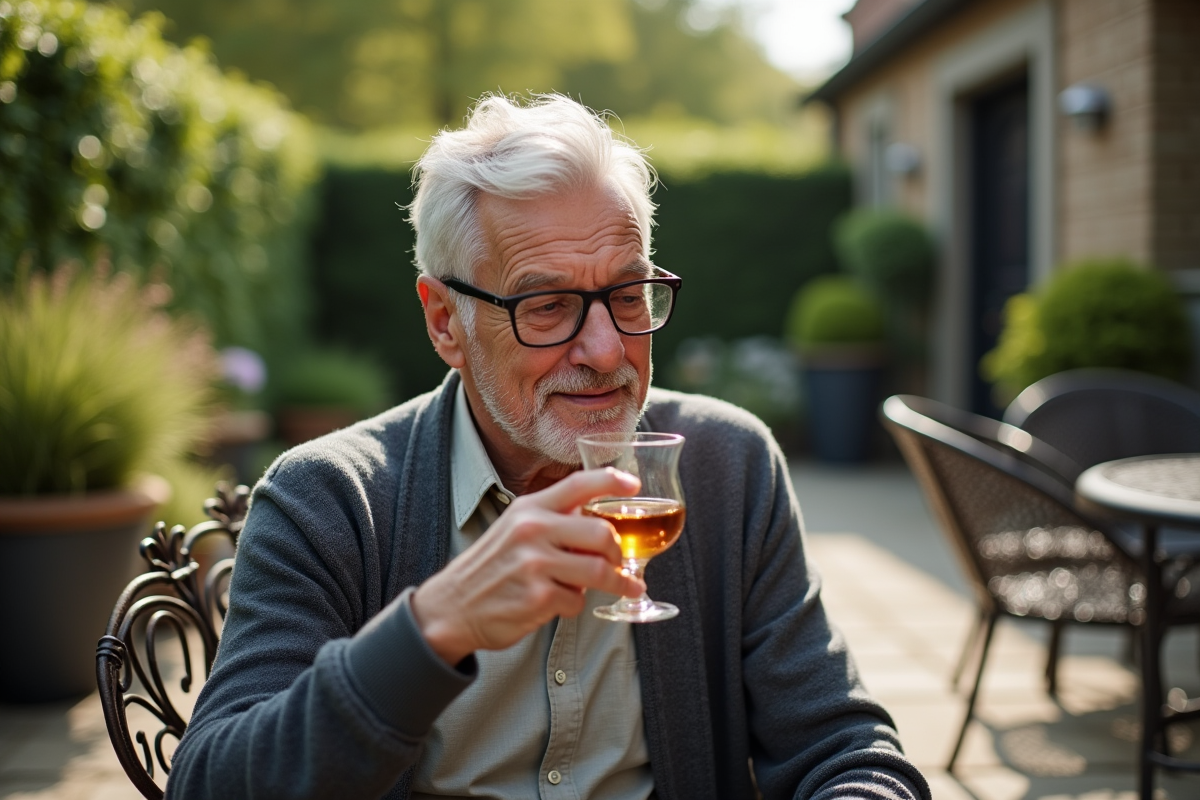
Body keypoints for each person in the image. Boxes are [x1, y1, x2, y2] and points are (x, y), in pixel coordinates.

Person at [168, 94, 930, 800]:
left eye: (628, 296)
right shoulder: (328, 499)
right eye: (548, 305)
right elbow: (213, 782)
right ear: (444, 323)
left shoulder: (728, 466)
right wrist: (434, 627)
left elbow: (843, 747)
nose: (606, 349)